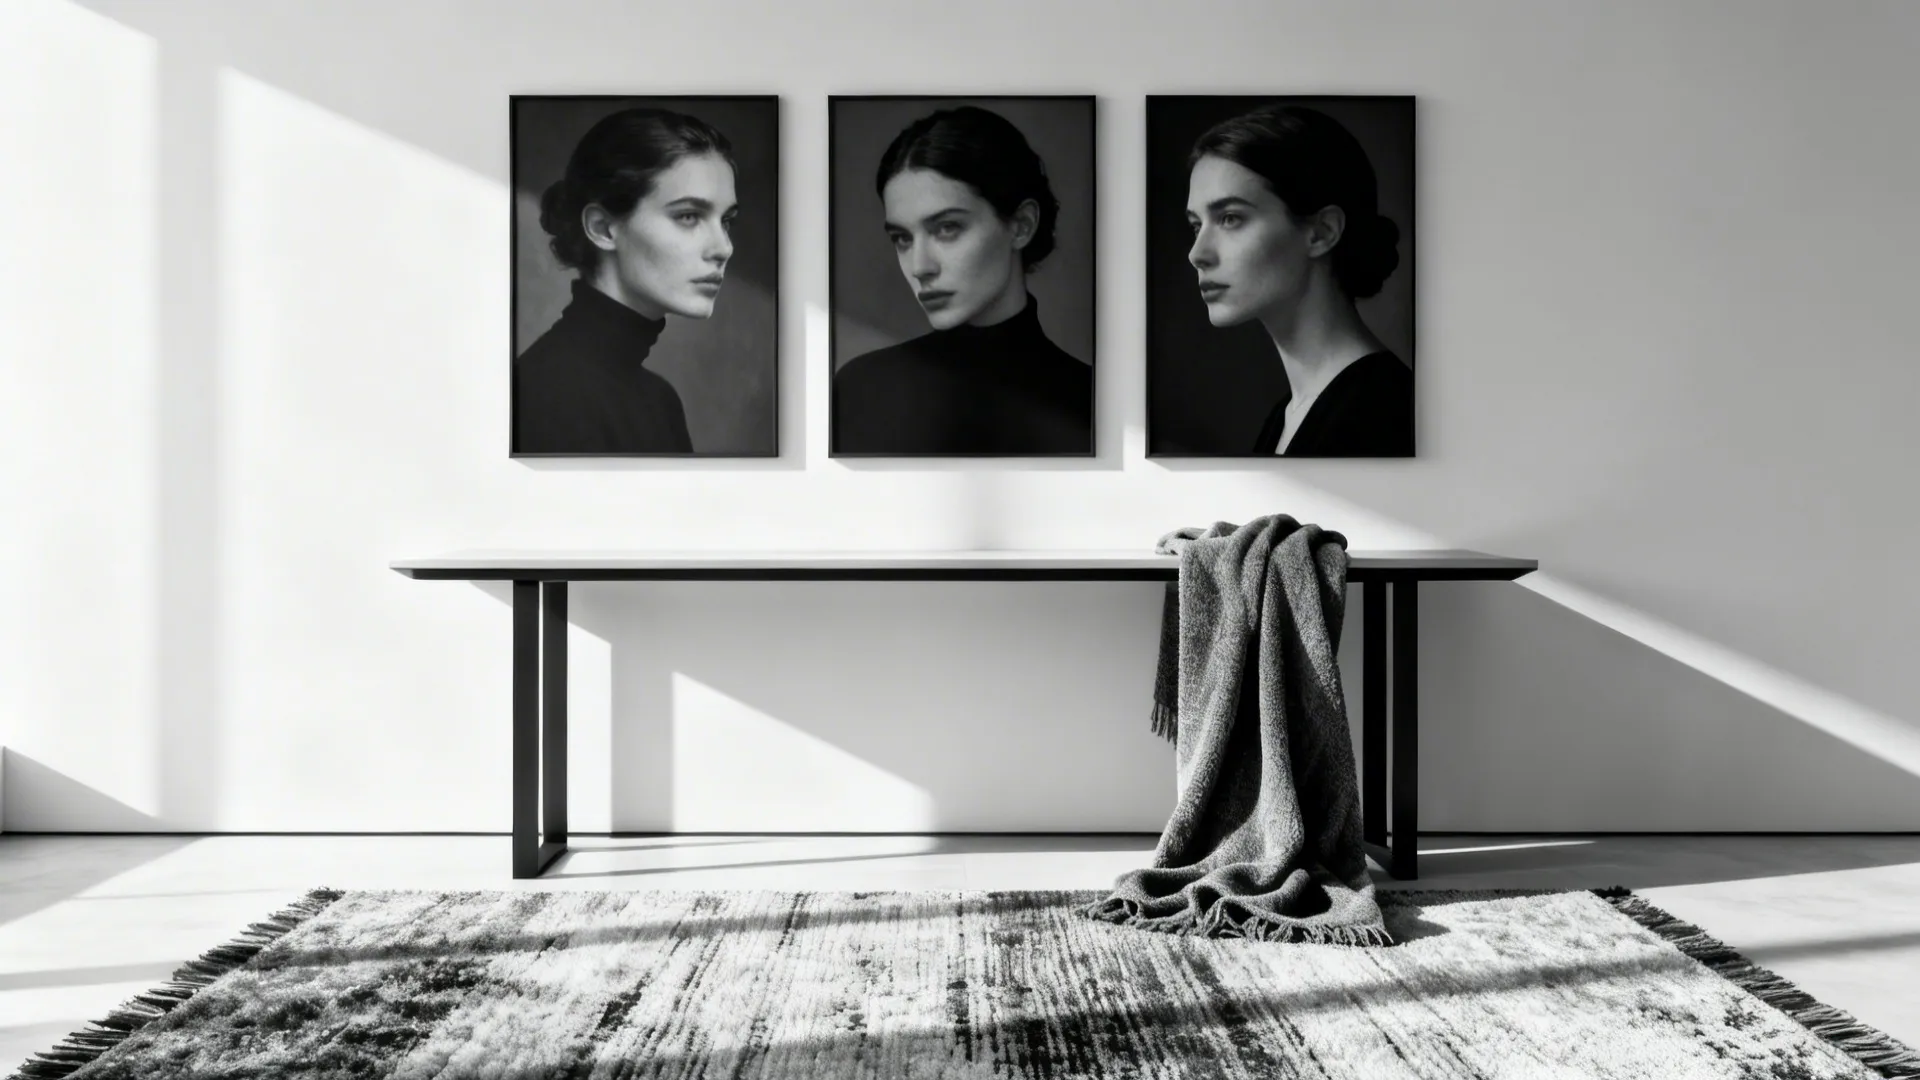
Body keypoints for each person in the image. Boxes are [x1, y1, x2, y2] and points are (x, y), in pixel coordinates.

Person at [832, 105, 1092, 455]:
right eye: (902, 238)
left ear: (1022, 225)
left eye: (947, 228)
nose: (920, 266)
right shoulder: (861, 389)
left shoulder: (1089, 399)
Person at [1184, 104, 1413, 456]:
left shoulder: (1383, 412)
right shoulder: (1287, 415)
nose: (1197, 254)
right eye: (1197, 226)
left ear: (1321, 232)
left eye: (1230, 218)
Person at [514, 107, 738, 454]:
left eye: (726, 221)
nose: (724, 248)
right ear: (603, 229)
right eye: (689, 216)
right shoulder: (545, 394)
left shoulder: (660, 401)